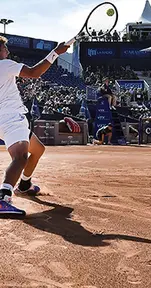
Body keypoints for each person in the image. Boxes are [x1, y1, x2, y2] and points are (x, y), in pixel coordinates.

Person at [0, 36, 69, 215]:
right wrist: (56, 53)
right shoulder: (5, 64)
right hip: (10, 118)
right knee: (21, 157)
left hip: (5, 119)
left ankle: (24, 185)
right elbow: (34, 73)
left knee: (38, 150)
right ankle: (3, 198)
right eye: (5, 49)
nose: (8, 52)